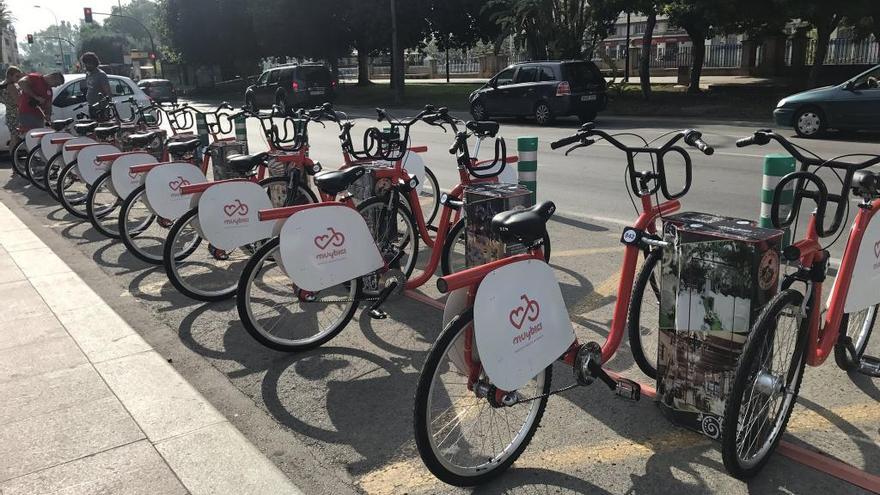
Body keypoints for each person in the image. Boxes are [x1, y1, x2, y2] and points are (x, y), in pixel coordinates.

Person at [81, 52, 112, 118]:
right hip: (91, 106)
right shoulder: (88, 74)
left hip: (101, 108)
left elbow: (108, 93)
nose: (86, 65)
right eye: (85, 63)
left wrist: (106, 107)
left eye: (88, 63)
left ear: (94, 63)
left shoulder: (101, 75)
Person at [3, 66, 23, 152]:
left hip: (9, 113)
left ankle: (14, 158)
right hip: (15, 114)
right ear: (10, 75)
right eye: (17, 76)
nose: (18, 79)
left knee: (14, 138)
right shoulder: (11, 86)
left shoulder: (3, 85)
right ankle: (14, 159)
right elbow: (19, 101)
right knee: (15, 138)